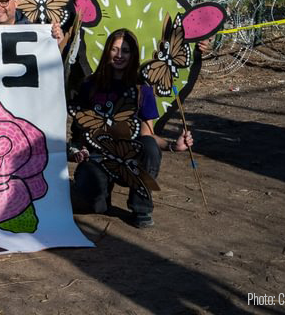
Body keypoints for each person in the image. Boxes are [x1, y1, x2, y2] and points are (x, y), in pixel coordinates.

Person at [69, 29, 193, 228]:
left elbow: (148, 135)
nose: (119, 55)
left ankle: (141, 207)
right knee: (92, 205)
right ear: (107, 51)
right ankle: (101, 191)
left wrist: (173, 146)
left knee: (149, 148)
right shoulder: (89, 85)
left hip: (129, 159)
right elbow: (82, 127)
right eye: (114, 49)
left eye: (125, 51)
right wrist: (79, 149)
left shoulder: (142, 89)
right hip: (98, 156)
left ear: (133, 54)